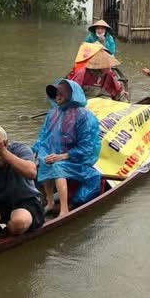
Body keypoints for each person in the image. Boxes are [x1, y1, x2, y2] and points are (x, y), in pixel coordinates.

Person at [33, 79, 101, 218]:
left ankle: (64, 210)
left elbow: (88, 147)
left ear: (70, 95)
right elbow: (44, 135)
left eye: (61, 93)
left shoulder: (84, 116)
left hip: (77, 159)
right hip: (58, 155)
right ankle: (50, 202)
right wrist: (35, 150)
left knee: (58, 168)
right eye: (56, 93)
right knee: (44, 160)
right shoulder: (54, 113)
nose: (57, 96)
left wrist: (63, 156)